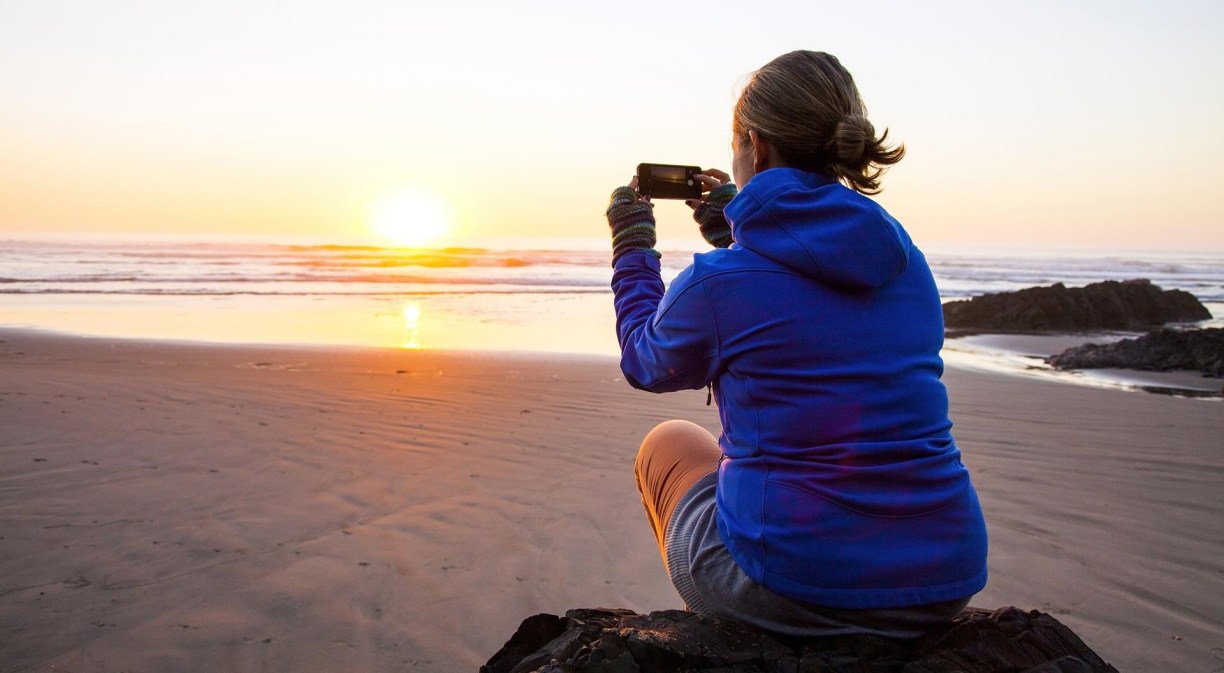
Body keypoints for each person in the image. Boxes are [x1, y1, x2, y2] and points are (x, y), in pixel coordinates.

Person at [604, 50, 988, 640]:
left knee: (671, 442)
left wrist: (632, 248)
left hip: (793, 585)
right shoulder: (905, 262)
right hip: (944, 579)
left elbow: (645, 362)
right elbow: (807, 292)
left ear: (754, 147)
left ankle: (727, 630)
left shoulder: (718, 285)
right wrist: (733, 225)